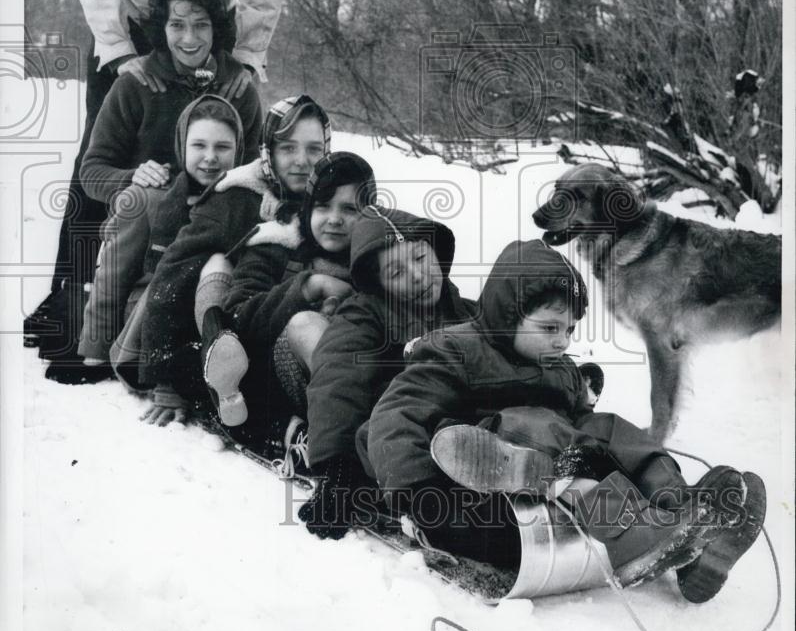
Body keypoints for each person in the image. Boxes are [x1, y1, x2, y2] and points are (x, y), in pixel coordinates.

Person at [25, 0, 283, 362]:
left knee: (216, 157)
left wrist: (244, 52)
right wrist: (118, 51)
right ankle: (70, 296)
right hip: (136, 17)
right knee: (105, 154)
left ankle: (198, 290)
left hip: (207, 22)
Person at [365, 238, 767, 599]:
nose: (563, 340)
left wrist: (590, 407)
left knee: (612, 430)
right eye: (550, 327)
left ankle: (683, 516)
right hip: (479, 459)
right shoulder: (456, 349)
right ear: (508, 315)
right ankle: (626, 527)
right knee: (539, 425)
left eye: (570, 329)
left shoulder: (557, 366)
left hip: (559, 451)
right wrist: (411, 489)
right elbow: (398, 411)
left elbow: (586, 423)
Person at [39, 0, 263, 382]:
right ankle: (97, 349)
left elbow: (256, 169)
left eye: (201, 25)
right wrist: (131, 177)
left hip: (219, 214)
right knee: (139, 201)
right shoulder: (136, 83)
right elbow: (91, 172)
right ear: (161, 28)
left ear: (218, 27)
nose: (190, 38)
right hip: (149, 218)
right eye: (177, 25)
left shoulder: (237, 85)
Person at [135, 95, 330, 427]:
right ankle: (223, 371)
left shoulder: (332, 197)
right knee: (212, 263)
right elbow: (173, 275)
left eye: (314, 149)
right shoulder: (237, 197)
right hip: (232, 329)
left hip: (294, 327)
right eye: (288, 149)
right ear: (268, 150)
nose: (302, 161)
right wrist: (167, 379)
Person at [298, 206, 477, 539]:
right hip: (392, 436)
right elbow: (338, 379)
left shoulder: (466, 312)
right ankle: (433, 507)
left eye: (421, 258)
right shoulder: (364, 315)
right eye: (396, 273)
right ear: (378, 283)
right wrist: (338, 470)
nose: (418, 276)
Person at [200, 152, 376, 437]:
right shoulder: (276, 247)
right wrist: (308, 287)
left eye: (349, 209)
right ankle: (311, 433)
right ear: (307, 209)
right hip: (276, 373)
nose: (335, 219)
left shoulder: (373, 259)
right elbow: (238, 316)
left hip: (359, 376)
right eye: (323, 206)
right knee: (306, 327)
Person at [77, 94, 244, 385]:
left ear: (238, 151)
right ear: (182, 145)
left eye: (222, 147)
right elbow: (112, 280)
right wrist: (96, 352)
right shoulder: (150, 199)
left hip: (211, 319)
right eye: (199, 145)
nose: (210, 157)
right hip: (146, 327)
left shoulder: (243, 203)